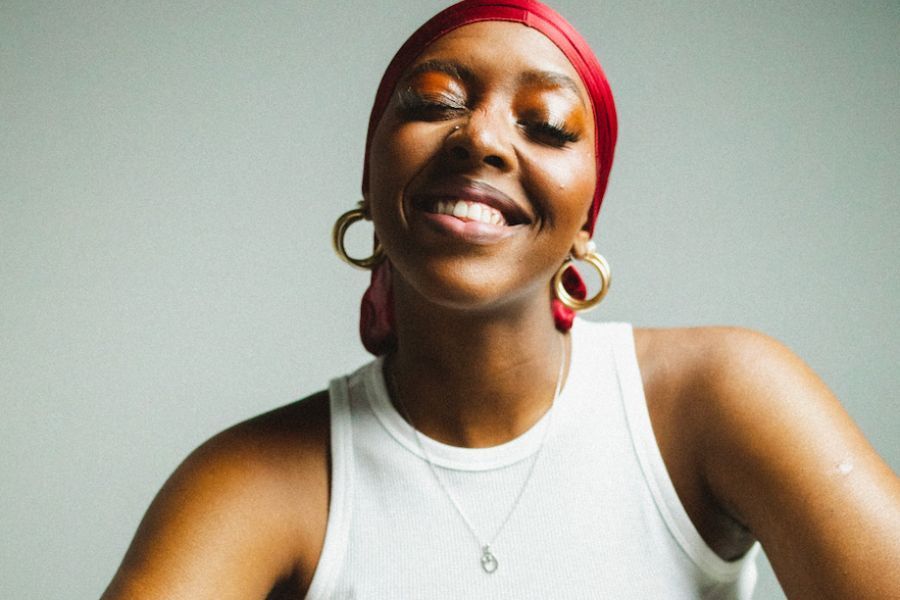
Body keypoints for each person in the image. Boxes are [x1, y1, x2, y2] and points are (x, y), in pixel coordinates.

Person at [101, 1, 900, 598]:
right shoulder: (257, 480)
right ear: (371, 187)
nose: (481, 138)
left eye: (547, 124)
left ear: (588, 220)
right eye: (436, 102)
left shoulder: (721, 397)